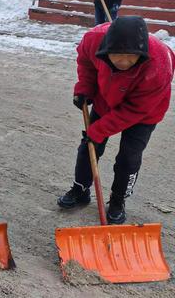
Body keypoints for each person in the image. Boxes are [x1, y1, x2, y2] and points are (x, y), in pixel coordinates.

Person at [58, 17, 174, 224]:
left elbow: (135, 110)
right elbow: (86, 63)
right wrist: (85, 88)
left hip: (144, 112)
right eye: (117, 56)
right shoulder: (94, 40)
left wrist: (100, 129)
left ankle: (118, 200)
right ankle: (80, 189)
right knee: (90, 145)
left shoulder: (159, 64)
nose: (123, 62)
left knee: (129, 157)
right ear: (106, 49)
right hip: (107, 98)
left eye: (130, 57)